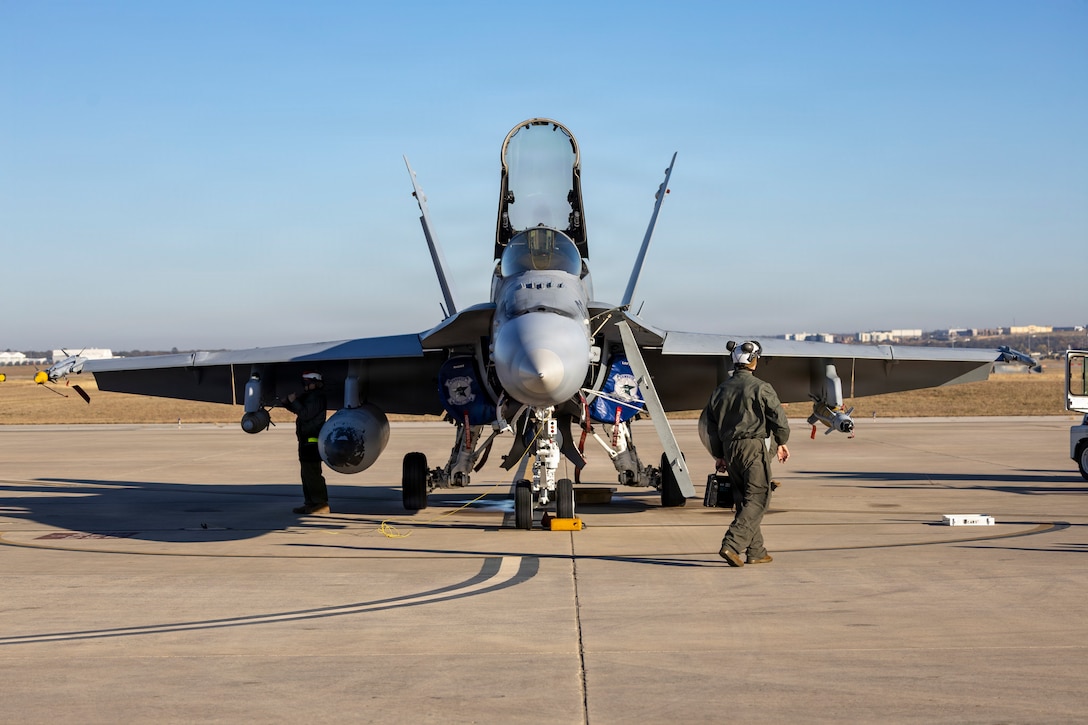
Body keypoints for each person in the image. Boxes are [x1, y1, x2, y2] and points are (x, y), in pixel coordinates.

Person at [702, 340, 790, 567]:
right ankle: (732, 545)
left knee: (744, 500)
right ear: (753, 361)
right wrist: (782, 441)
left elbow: (711, 427)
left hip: (729, 449)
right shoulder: (762, 387)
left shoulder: (720, 390)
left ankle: (756, 551)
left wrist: (719, 454)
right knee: (758, 498)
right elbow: (779, 419)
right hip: (753, 447)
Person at [284, 371, 330, 515]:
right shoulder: (310, 397)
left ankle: (321, 504)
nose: (305, 386)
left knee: (313, 473)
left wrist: (294, 401)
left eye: (307, 383)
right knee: (306, 474)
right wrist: (288, 402)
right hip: (305, 440)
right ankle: (310, 503)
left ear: (315, 383)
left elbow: (305, 414)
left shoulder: (317, 397)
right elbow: (299, 410)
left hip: (312, 441)